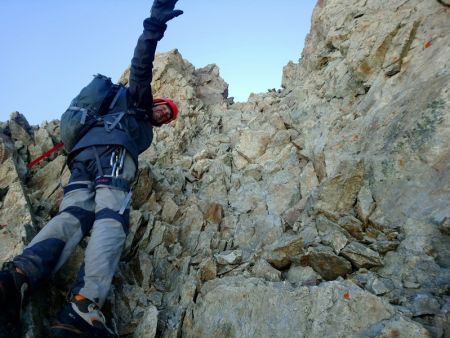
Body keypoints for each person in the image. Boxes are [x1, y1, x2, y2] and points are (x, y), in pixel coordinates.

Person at [0, 0, 183, 337]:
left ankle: (18, 277)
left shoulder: (123, 114)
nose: (164, 115)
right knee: (111, 219)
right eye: (164, 109)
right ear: (155, 103)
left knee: (72, 215)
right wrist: (154, 24)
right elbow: (141, 63)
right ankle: (83, 307)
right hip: (112, 154)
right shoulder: (137, 101)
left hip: (82, 156)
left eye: (168, 117)